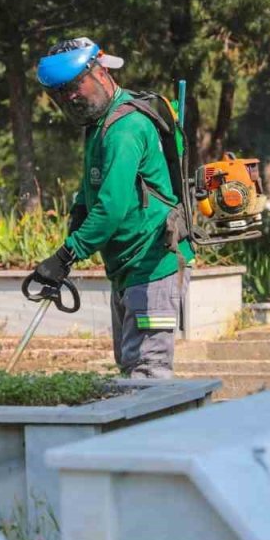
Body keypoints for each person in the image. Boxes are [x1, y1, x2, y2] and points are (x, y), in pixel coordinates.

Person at [32, 37, 193, 378]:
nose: (69, 96)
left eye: (75, 85)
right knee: (128, 364)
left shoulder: (125, 128)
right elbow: (93, 185)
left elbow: (110, 209)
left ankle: (153, 433)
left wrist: (65, 256)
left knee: (149, 371)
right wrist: (78, 212)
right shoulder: (99, 125)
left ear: (102, 73)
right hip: (126, 266)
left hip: (154, 265)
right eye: (60, 92)